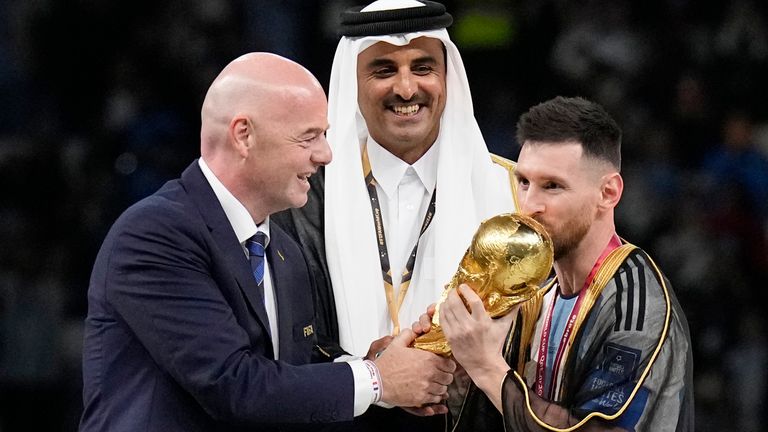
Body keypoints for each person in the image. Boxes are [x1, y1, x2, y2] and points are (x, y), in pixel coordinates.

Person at [78, 52, 455, 432]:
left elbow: (291, 372)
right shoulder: (155, 234)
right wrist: (377, 380)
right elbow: (234, 385)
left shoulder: (283, 249)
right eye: (309, 136)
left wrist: (379, 365)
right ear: (244, 136)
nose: (325, 154)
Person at [272, 0, 518, 429]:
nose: (406, 89)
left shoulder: (508, 190)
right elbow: (282, 335)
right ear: (353, 82)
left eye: (423, 68)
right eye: (384, 70)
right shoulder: (302, 196)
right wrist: (371, 370)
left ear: (448, 79)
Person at [435, 96, 694, 431]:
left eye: (552, 186)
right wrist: (461, 375)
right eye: (524, 181)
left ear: (608, 193)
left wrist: (487, 366)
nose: (529, 205)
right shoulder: (533, 295)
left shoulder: (639, 307)